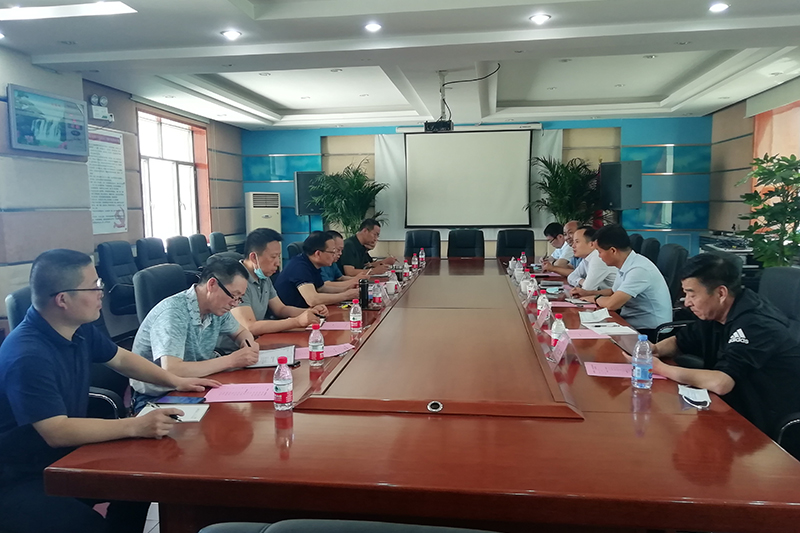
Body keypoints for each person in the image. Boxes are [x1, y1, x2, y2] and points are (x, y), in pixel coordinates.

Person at [0, 249, 219, 533]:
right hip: (20, 474)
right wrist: (136, 426)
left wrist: (175, 381)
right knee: (86, 525)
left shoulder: (77, 328)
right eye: (93, 286)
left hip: (64, 455)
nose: (101, 293)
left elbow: (121, 358)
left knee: (141, 480)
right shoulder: (27, 355)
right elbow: (56, 431)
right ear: (63, 299)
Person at [645, 253, 800, 441]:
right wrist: (654, 350)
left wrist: (659, 368)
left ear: (721, 293)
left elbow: (721, 382)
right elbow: (681, 341)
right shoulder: (715, 312)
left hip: (765, 423)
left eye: (692, 294)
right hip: (731, 408)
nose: (687, 302)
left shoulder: (756, 324)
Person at [130, 253, 259, 410]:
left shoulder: (217, 308)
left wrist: (248, 345)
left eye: (240, 298)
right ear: (212, 285)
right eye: (233, 295)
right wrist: (232, 360)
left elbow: (241, 333)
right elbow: (172, 370)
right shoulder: (173, 313)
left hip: (198, 383)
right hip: (160, 395)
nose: (235, 304)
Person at [224, 228, 328, 344]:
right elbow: (250, 326)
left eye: (278, 256)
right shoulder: (236, 281)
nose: (278, 263)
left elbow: (280, 309)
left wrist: (310, 312)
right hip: (236, 349)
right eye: (273, 257)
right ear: (254, 257)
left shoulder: (263, 276)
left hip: (259, 341)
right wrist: (297, 321)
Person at [582, 224, 672, 336]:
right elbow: (614, 292)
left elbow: (612, 304)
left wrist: (595, 298)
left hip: (650, 331)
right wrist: (587, 293)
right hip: (631, 323)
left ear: (613, 251)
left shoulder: (639, 269)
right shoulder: (626, 263)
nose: (599, 256)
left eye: (599, 252)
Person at [275, 232, 360, 308]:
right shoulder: (299, 266)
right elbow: (313, 300)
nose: (335, 255)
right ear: (318, 253)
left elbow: (321, 288)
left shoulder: (311, 264)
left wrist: (347, 288)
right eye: (332, 252)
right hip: (290, 315)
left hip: (306, 311)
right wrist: (346, 295)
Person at [567, 226, 617, 293]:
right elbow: (571, 277)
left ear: (591, 244)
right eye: (573, 242)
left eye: (577, 242)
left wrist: (584, 284)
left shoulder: (598, 258)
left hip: (617, 297)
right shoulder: (587, 258)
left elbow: (587, 289)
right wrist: (582, 281)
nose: (573, 246)